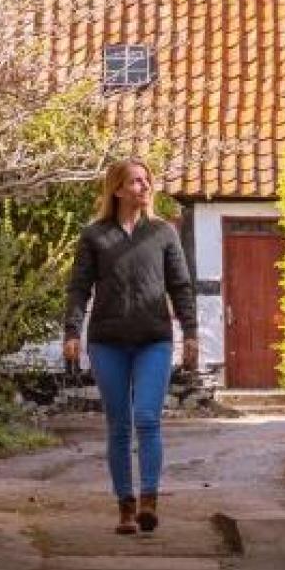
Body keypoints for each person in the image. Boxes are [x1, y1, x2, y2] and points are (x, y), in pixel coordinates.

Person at [63, 157, 199, 535]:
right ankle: (125, 506)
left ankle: (148, 502)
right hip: (107, 343)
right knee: (119, 425)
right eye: (136, 181)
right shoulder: (94, 236)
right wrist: (72, 332)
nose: (144, 186)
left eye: (146, 180)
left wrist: (190, 333)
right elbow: (79, 288)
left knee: (147, 419)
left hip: (154, 340)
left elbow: (181, 287)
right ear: (118, 189)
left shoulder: (163, 233)